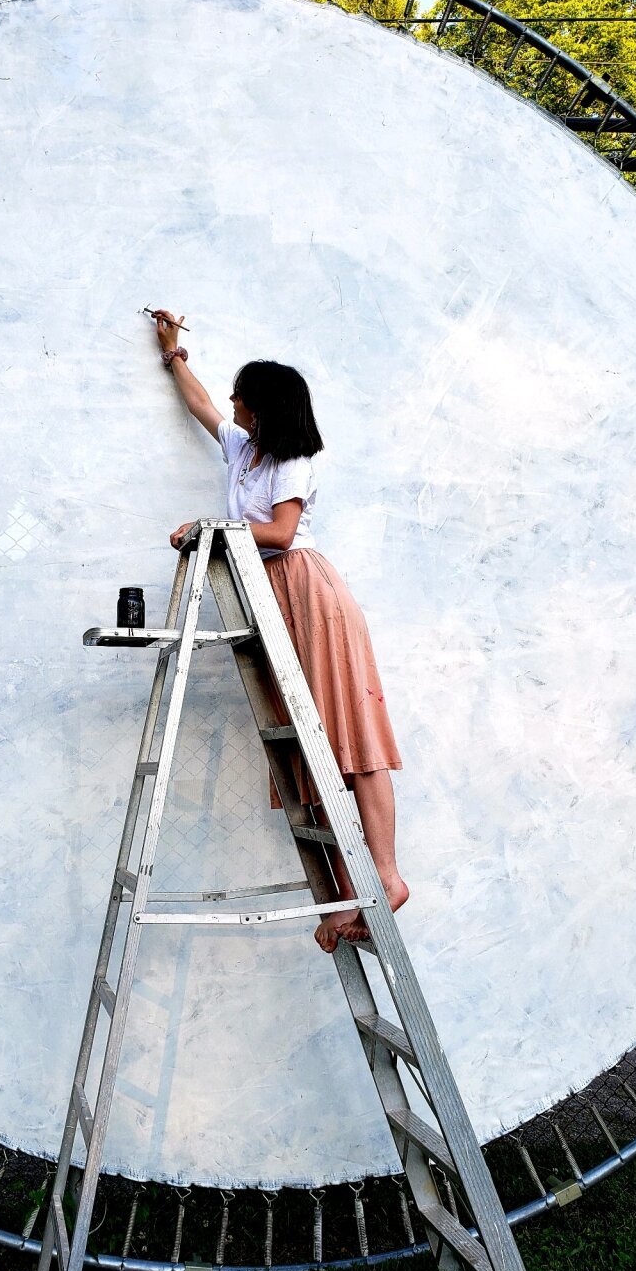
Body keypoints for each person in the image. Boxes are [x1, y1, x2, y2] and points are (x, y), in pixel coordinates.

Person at [151, 309, 407, 953]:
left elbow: (282, 534)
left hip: (305, 591)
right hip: (267, 597)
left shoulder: (291, 461)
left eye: (243, 395)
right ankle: (347, 896)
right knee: (304, 746)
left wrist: (209, 528)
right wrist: (174, 353)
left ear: (263, 408)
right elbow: (203, 404)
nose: (231, 402)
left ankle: (388, 877)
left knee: (349, 728)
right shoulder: (242, 449)